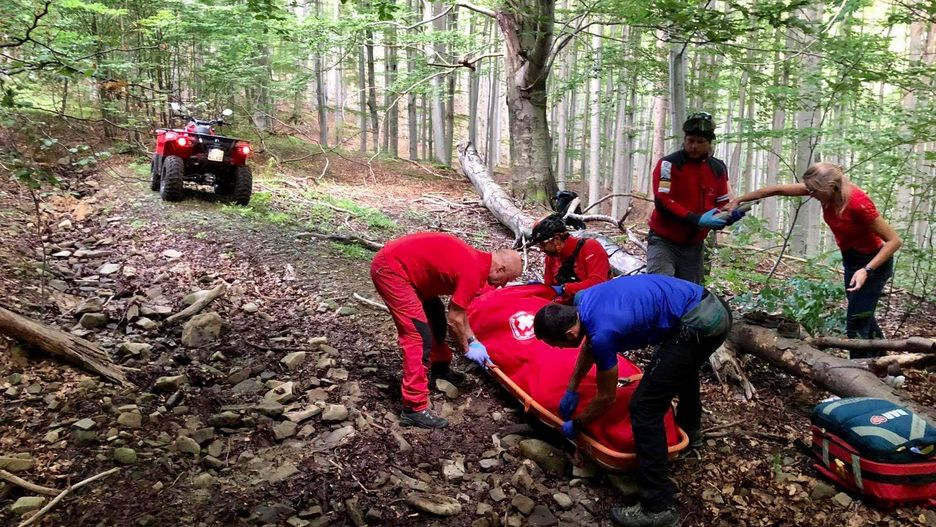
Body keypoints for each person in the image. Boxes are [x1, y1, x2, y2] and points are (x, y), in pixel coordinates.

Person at [532, 275, 731, 527]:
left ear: (570, 333)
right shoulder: (584, 301)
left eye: (558, 345)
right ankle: (690, 431)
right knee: (682, 366)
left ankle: (657, 507)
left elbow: (607, 397)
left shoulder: (602, 333)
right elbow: (589, 346)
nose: (559, 350)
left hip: (701, 323)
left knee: (644, 407)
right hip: (709, 305)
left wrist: (578, 424)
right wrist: (572, 388)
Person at [728, 162, 902, 356]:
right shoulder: (822, 190)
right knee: (862, 315)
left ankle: (861, 369)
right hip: (852, 260)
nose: (810, 194)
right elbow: (778, 190)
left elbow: (894, 241)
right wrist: (739, 199)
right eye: (809, 189)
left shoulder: (858, 203)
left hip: (874, 263)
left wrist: (866, 270)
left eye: (814, 191)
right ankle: (885, 364)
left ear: (831, 187)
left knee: (856, 322)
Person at [370, 232, 522, 428]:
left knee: (436, 317)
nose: (503, 285)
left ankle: (440, 369)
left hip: (412, 273)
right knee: (418, 336)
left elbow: (459, 311)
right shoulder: (473, 271)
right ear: (500, 269)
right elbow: (455, 320)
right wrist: (466, 349)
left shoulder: (478, 263)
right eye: (506, 279)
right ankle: (414, 408)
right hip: (392, 270)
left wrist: (473, 341)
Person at [647, 112, 738, 284]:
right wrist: (695, 219)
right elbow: (662, 200)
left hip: (694, 245)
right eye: (690, 140)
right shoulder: (668, 164)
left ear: (709, 143)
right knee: (660, 287)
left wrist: (729, 216)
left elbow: (722, 203)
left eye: (700, 142)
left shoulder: (718, 168)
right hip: (663, 240)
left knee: (690, 292)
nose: (694, 146)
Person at [526, 213, 611, 304]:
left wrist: (564, 289)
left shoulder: (590, 247)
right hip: (566, 307)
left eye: (543, 244)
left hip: (598, 305)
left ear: (556, 239)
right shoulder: (551, 258)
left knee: (581, 296)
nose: (542, 249)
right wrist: (542, 289)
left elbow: (598, 283)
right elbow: (550, 289)